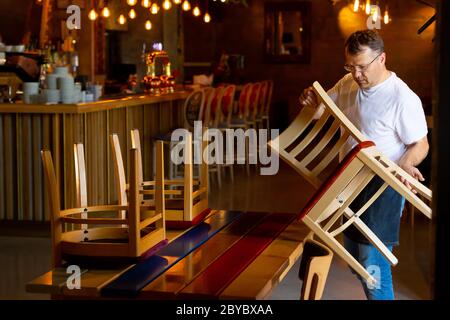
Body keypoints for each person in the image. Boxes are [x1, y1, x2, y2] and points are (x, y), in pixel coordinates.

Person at [298, 30, 429, 300]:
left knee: (373, 267)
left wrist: (405, 162)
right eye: (350, 66)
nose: (356, 74)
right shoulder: (349, 82)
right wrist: (312, 100)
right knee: (355, 258)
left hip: (384, 184)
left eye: (362, 67)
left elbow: (421, 145)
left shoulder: (402, 97)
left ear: (382, 58)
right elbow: (323, 108)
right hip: (348, 180)